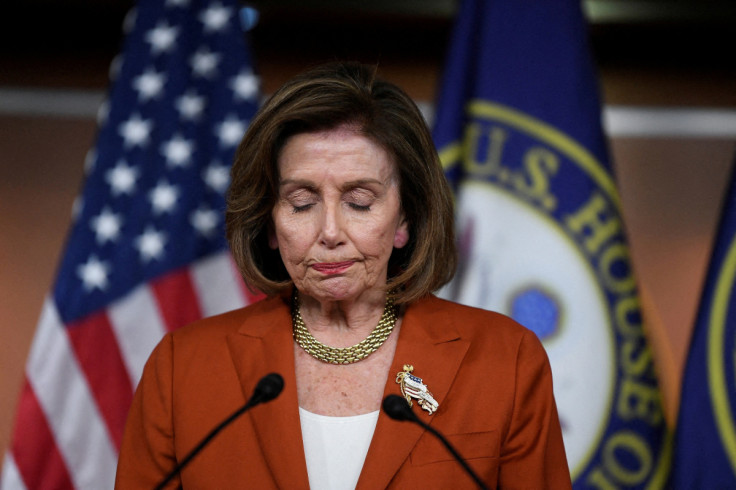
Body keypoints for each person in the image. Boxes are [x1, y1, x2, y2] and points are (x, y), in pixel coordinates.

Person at [115, 62, 571, 489]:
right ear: (269, 221)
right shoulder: (183, 369)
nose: (329, 232)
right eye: (301, 202)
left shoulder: (504, 362)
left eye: (359, 201)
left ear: (405, 218)